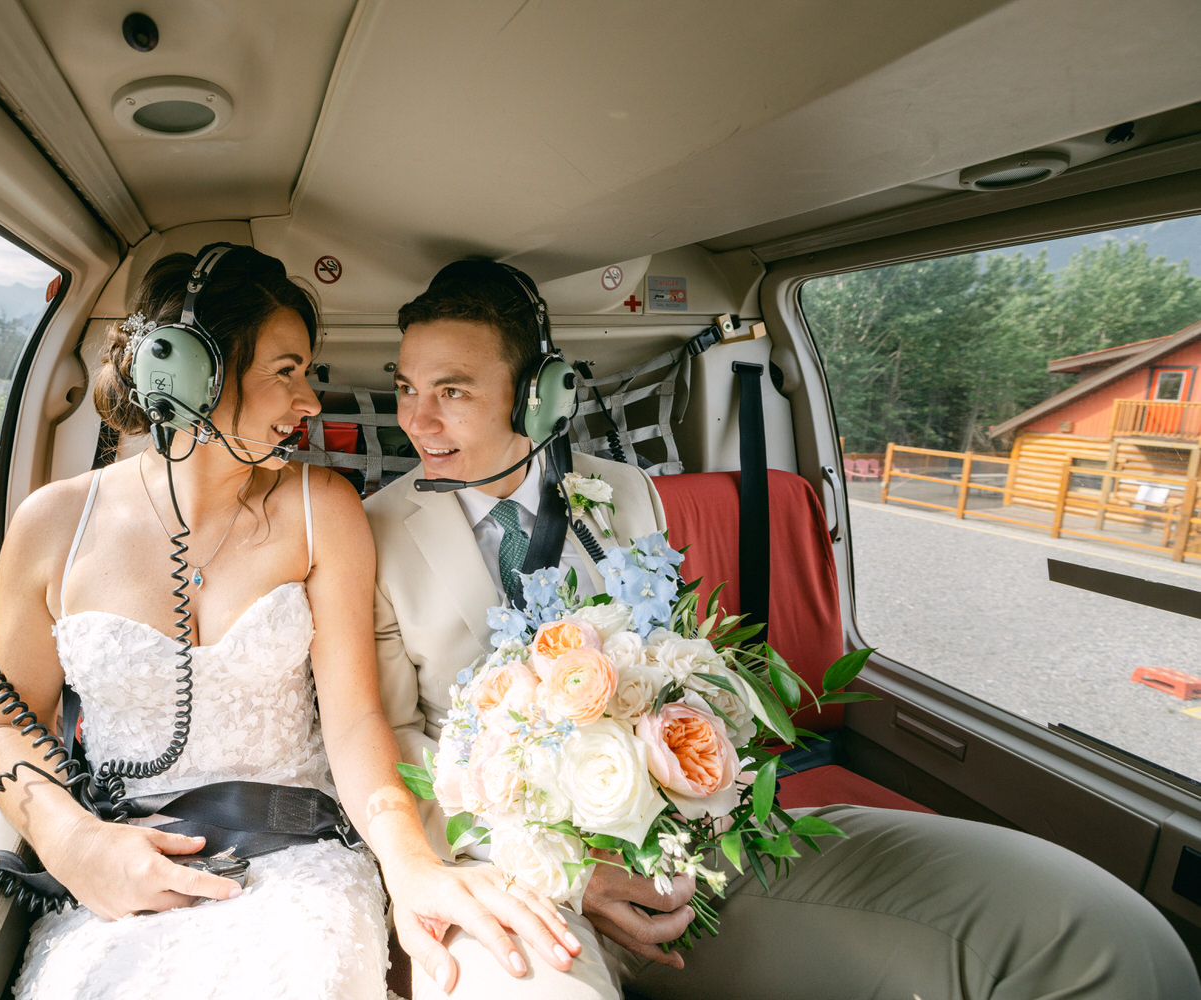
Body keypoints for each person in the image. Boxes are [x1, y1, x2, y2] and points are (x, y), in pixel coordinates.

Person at [366, 258, 1201, 1000]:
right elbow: (390, 735)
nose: (418, 421)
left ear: (539, 395)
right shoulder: (370, 534)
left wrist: (700, 786)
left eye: (452, 391)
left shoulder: (627, 493)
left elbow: (686, 661)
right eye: (407, 388)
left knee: (1091, 928)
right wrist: (547, 865)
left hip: (698, 846)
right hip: (499, 870)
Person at [0, 245, 579, 999]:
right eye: (286, 372)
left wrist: (409, 862)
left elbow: (358, 721)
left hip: (297, 862)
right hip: (120, 867)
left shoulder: (321, 508)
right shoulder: (48, 526)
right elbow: (7, 726)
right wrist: (74, 846)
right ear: (197, 372)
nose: (309, 403)